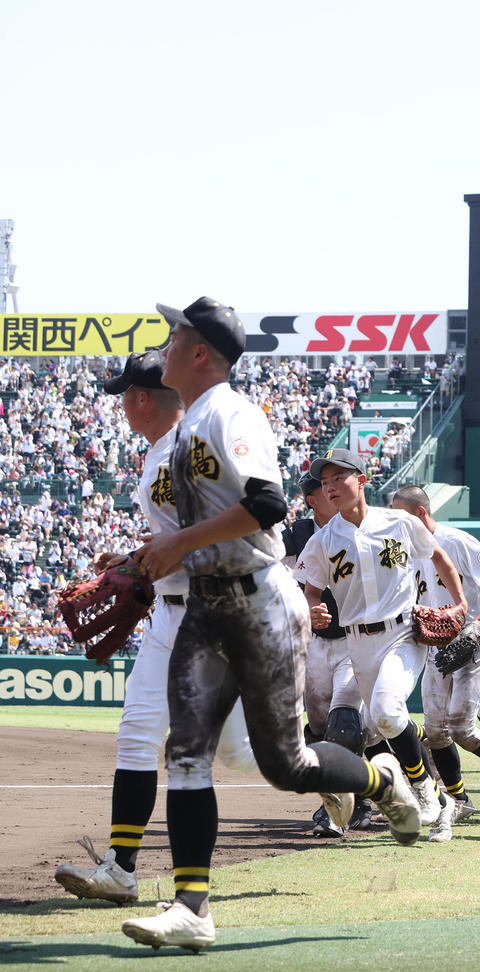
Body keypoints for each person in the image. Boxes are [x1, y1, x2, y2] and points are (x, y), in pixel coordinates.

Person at [122, 298, 422, 951]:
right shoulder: (181, 432)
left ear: (201, 353)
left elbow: (266, 503)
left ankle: (380, 777)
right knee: (187, 752)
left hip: (258, 599)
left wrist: (181, 544)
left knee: (287, 764)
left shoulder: (231, 412)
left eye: (178, 335)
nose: (167, 344)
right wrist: (145, 555)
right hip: (205, 601)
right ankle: (193, 908)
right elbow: (188, 533)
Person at [53, 350, 260, 906]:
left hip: (212, 615)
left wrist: (145, 561)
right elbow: (182, 537)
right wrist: (131, 559)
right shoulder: (157, 455)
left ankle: (359, 777)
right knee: (137, 736)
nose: (121, 403)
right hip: (169, 613)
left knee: (240, 756)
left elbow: (243, 527)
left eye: (125, 394)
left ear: (142, 399)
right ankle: (121, 869)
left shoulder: (194, 447)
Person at [298, 450, 463, 843]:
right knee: (373, 730)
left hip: (402, 632)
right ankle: (440, 804)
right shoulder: (323, 540)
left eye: (340, 477)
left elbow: (439, 557)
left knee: (388, 713)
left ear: (363, 479)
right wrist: (313, 612)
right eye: (325, 482)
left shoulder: (400, 521)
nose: (332, 486)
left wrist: (460, 602)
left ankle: (423, 794)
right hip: (357, 643)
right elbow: (311, 591)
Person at [390, 483, 480, 825]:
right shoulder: (405, 548)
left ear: (421, 513)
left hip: (472, 640)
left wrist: (479, 622)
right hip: (437, 644)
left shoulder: (455, 540)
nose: (396, 523)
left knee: (463, 728)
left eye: (401, 515)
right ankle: (458, 798)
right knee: (435, 730)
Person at [282, 471, 371, 838]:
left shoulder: (359, 525)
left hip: (354, 638)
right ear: (311, 499)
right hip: (316, 643)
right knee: (318, 729)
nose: (329, 494)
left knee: (346, 725)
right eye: (321, 491)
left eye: (333, 487)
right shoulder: (300, 534)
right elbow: (275, 569)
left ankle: (357, 802)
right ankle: (335, 797)